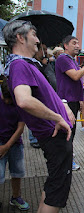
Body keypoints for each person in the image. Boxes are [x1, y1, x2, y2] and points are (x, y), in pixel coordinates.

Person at [3, 20, 75, 213]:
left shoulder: (27, 64)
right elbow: (24, 100)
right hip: (54, 136)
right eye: (33, 34)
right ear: (20, 37)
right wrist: (57, 118)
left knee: (53, 186)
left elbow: (47, 94)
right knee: (57, 194)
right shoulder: (18, 65)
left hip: (56, 135)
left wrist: (64, 107)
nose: (37, 39)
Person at [55, 35, 84, 171]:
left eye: (78, 43)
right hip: (67, 102)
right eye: (74, 43)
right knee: (67, 132)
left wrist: (80, 100)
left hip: (74, 101)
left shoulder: (72, 60)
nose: (77, 46)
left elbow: (77, 81)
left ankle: (68, 156)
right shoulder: (63, 59)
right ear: (66, 45)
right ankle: (66, 161)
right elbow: (76, 76)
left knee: (72, 132)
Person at [0, 79, 29, 211]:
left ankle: (16, 197)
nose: (7, 102)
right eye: (5, 99)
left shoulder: (19, 102)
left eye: (10, 99)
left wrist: (7, 146)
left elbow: (20, 128)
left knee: (17, 172)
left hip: (15, 143)